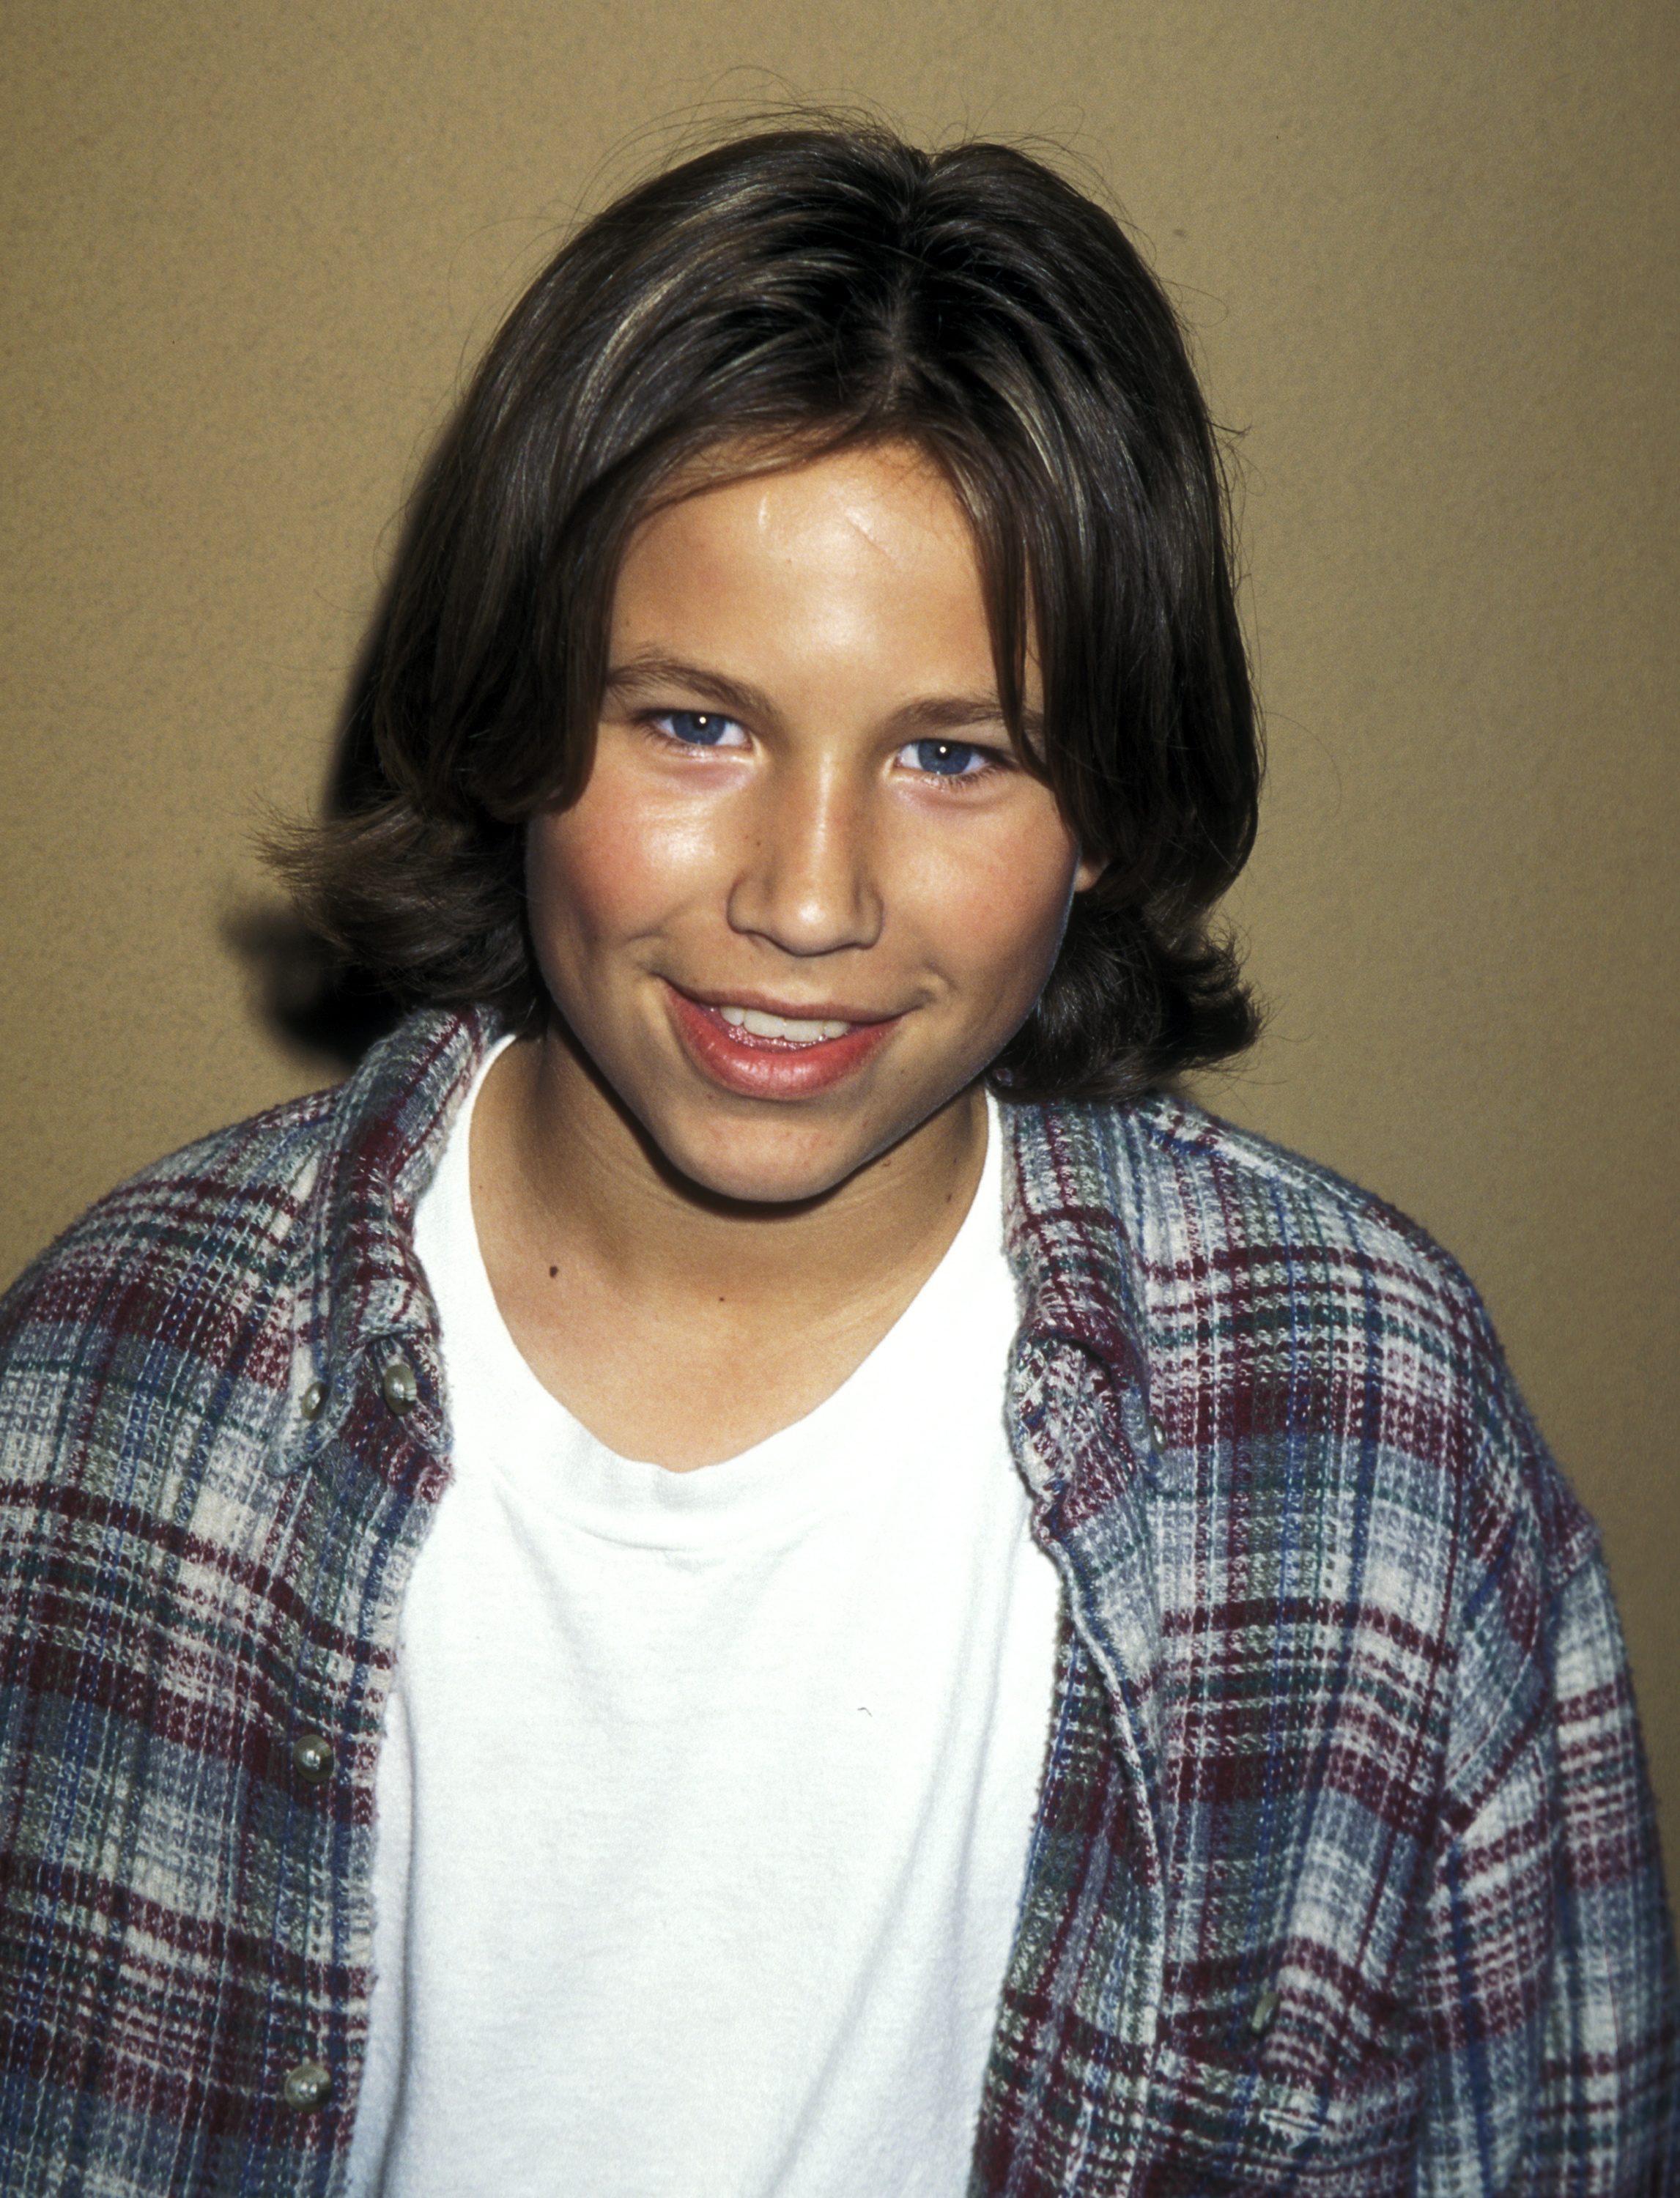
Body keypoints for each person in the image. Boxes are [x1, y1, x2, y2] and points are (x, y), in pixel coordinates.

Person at [0, 122, 1673, 2198]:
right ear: (516, 711)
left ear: (1112, 812)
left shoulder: (1375, 1443)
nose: (808, 899)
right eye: (694, 725)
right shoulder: (97, 1394)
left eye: (955, 756)